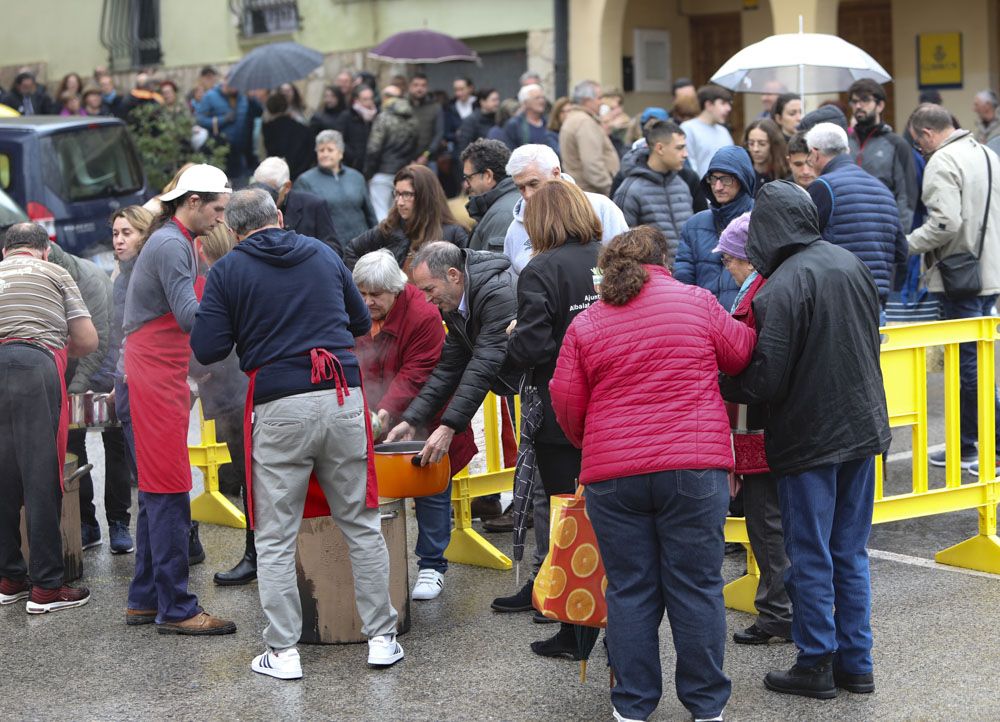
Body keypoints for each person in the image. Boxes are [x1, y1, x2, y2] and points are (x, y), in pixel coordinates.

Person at [191, 189, 403, 679]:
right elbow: (358, 322)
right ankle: (381, 639)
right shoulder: (324, 253)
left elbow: (207, 346)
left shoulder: (227, 271)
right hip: (343, 395)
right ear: (279, 217)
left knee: (275, 536)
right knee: (362, 523)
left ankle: (284, 652)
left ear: (235, 230)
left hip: (279, 402)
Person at [550, 225, 755, 722]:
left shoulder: (588, 323)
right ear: (662, 259)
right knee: (696, 586)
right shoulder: (698, 301)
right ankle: (706, 706)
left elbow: (566, 400)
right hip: (694, 465)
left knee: (629, 588)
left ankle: (633, 705)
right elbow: (740, 352)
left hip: (613, 474)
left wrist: (594, 445)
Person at [720, 180, 891, 700]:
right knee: (849, 551)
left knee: (810, 553)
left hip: (808, 437)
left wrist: (723, 379)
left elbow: (764, 380)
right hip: (860, 428)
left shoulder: (781, 285)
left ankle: (817, 660)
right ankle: (856, 663)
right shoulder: (849, 262)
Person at [122, 164, 236, 635]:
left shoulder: (176, 240)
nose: (221, 219)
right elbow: (190, 317)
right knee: (169, 487)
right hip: (152, 372)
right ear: (192, 202)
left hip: (157, 370)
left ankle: (145, 599)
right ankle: (178, 608)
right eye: (217, 208)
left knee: (156, 488)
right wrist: (236, 302)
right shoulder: (171, 244)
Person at [504, 180, 603, 659]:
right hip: (610, 408)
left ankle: (575, 633)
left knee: (570, 521)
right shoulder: (608, 257)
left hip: (561, 413)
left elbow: (535, 345)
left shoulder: (540, 269)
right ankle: (613, 629)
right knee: (610, 520)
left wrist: (512, 337)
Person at [352, 249, 477, 600]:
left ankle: (432, 566)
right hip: (375, 413)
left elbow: (417, 373)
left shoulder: (422, 314)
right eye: (361, 293)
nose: (367, 301)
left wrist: (386, 412)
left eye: (376, 295)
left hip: (429, 413)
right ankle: (376, 563)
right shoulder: (355, 309)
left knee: (430, 487)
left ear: (396, 288)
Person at [0, 223, 98, 614]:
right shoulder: (56, 272)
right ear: (44, 250)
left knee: (2, 475)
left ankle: (9, 578)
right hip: (33, 364)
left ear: (6, 252)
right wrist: (52, 342)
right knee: (40, 474)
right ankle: (46, 588)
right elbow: (88, 340)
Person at [713, 212, 793, 647]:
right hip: (780, 429)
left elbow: (749, 363)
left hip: (758, 431)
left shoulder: (756, 297)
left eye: (730, 259)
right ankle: (789, 608)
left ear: (748, 258)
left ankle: (777, 613)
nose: (727, 268)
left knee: (767, 525)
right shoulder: (776, 286)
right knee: (785, 525)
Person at [907, 103, 1000, 474]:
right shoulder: (988, 154)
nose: (920, 150)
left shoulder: (941, 162)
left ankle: (987, 447)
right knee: (977, 363)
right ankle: (967, 445)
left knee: (967, 368)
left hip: (960, 278)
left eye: (918, 144)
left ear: (927, 134)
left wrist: (907, 244)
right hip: (989, 273)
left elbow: (944, 223)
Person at [385, 241, 520, 473]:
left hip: (541, 384)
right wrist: (412, 419)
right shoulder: (455, 302)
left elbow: (484, 363)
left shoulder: (497, 293)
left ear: (453, 275)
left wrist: (448, 427)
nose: (427, 299)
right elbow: (447, 369)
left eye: (429, 289)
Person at [45, 241, 130, 554]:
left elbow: (100, 340)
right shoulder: (45, 276)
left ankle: (119, 522)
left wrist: (75, 388)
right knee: (73, 446)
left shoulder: (88, 279)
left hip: (104, 363)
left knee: (115, 444)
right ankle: (87, 523)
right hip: (69, 366)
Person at [188, 224, 254, 587]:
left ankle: (256, 554)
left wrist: (197, 371)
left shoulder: (216, 278)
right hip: (231, 384)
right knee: (247, 472)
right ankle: (258, 552)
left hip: (232, 383)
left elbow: (206, 338)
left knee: (251, 473)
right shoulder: (229, 273)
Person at [805, 122, 907, 311]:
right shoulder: (883, 190)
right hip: (877, 301)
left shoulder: (822, 187)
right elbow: (901, 251)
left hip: (839, 299)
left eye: (809, 157)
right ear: (847, 150)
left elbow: (803, 241)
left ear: (815, 153)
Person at [502, 144, 628, 275]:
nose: (527, 194)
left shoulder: (600, 207)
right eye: (520, 187)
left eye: (533, 184)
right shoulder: (515, 229)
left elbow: (623, 262)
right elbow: (511, 279)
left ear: (556, 173)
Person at [676, 145, 756, 310]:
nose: (718, 186)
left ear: (743, 180)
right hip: (703, 323)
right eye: (713, 178)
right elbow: (683, 281)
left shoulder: (760, 221)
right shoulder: (694, 225)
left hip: (746, 322)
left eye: (726, 179)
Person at [345, 164, 468, 271]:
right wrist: (369, 287)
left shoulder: (454, 234)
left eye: (407, 194)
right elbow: (352, 250)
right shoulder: (390, 227)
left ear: (425, 196)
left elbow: (468, 276)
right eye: (397, 194)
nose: (399, 202)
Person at [613, 119, 694, 261]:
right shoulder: (630, 190)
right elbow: (620, 245)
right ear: (660, 148)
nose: (685, 154)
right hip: (650, 276)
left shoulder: (682, 184)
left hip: (685, 276)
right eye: (679, 148)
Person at [846, 79, 918, 233]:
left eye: (865, 100)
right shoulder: (844, 142)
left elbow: (907, 195)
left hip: (884, 227)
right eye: (854, 101)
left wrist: (900, 234)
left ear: (880, 105)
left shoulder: (897, 144)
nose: (858, 106)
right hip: (848, 227)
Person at [291, 130, 374, 246]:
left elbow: (370, 213)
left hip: (362, 244)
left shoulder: (356, 177)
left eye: (330, 150)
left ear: (341, 153)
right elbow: (302, 222)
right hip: (330, 247)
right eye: (321, 150)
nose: (325, 154)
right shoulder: (305, 181)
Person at [254, 156, 343, 255]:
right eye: (259, 190)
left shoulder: (313, 206)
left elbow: (334, 250)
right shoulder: (252, 206)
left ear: (287, 187)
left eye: (271, 192)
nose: (264, 198)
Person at [559, 80, 621, 195]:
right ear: (586, 100)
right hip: (592, 194)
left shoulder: (574, 119)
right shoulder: (584, 122)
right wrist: (611, 190)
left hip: (583, 192)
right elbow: (592, 165)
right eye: (599, 98)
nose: (602, 102)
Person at [364, 92, 418, 221]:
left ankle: (384, 240)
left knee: (380, 210)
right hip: (403, 171)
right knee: (398, 210)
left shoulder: (383, 118)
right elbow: (415, 146)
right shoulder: (413, 120)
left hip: (382, 171)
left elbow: (373, 148)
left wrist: (368, 172)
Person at [196, 81, 262, 183]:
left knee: (239, 186)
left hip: (241, 152)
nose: (236, 89)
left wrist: (252, 99)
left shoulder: (243, 97)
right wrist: (222, 120)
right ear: (225, 83)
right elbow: (199, 119)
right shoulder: (210, 96)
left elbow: (259, 112)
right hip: (219, 152)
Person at [462, 139, 519, 252]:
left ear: (488, 175)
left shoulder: (502, 215)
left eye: (469, 178)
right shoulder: (514, 202)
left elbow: (496, 267)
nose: (466, 185)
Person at [680, 85, 735, 177]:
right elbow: (689, 163)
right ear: (709, 105)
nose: (728, 108)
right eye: (723, 103)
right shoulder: (688, 128)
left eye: (729, 104)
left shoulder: (724, 131)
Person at [262, 92, 315, 181]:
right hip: (300, 175)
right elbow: (311, 150)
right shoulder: (302, 128)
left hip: (276, 176)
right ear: (286, 107)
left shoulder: (268, 129)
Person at [502, 84, 558, 154]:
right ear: (525, 103)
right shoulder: (514, 125)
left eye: (543, 98)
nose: (542, 101)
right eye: (537, 98)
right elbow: (510, 151)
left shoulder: (549, 122)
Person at [408, 74, 444, 168]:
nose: (419, 89)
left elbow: (439, 134)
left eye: (423, 85)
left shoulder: (435, 107)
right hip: (406, 160)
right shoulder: (404, 106)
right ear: (410, 87)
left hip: (429, 159)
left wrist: (426, 155)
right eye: (416, 85)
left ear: (427, 88)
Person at [338, 85, 376, 172]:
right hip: (350, 165)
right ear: (356, 100)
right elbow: (339, 139)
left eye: (371, 98)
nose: (369, 102)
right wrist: (353, 156)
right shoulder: (346, 116)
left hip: (369, 167)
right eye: (365, 99)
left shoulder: (376, 117)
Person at [743, 118, 789, 186]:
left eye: (762, 144)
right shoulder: (743, 176)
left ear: (774, 145)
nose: (755, 149)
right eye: (751, 143)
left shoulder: (785, 174)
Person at [457, 88, 500, 156]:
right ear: (482, 102)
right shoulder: (470, 121)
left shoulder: (498, 119)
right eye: (493, 100)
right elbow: (464, 148)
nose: (497, 103)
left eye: (497, 99)